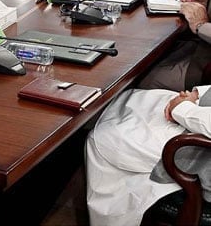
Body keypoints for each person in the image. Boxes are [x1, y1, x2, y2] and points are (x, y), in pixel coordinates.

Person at [86, 84, 211, 226]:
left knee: (104, 137)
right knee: (131, 98)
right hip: (201, 113)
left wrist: (182, 108)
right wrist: (198, 93)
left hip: (199, 148)